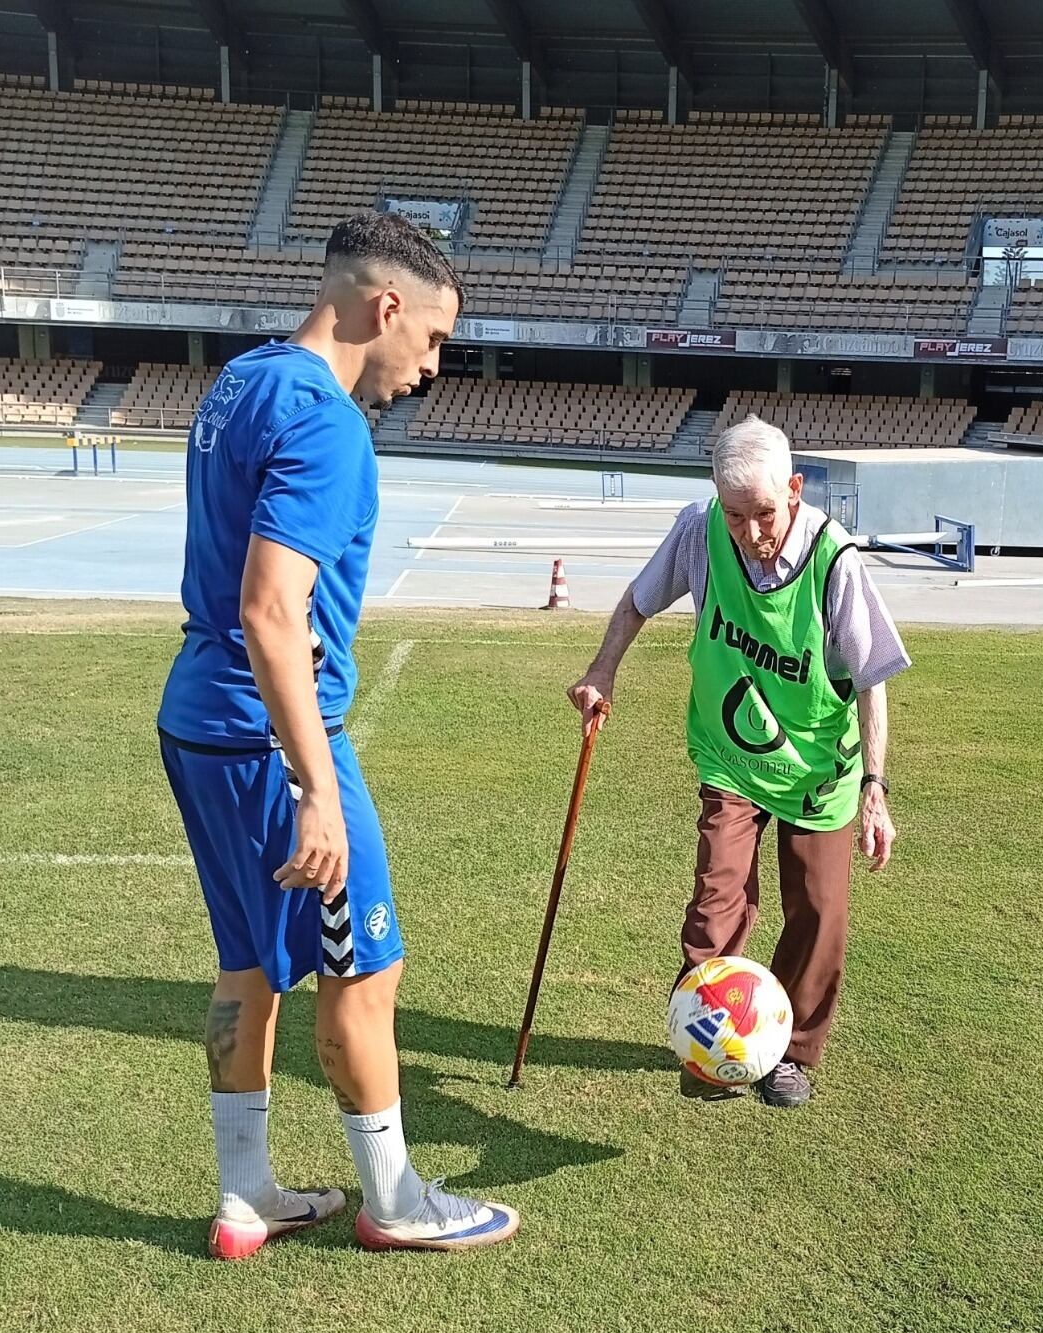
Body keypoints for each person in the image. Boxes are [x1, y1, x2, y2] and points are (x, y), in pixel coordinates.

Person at [158, 213, 519, 1256]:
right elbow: (273, 608)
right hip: (276, 734)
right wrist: (316, 783)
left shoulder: (242, 380)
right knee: (363, 966)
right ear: (385, 306)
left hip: (199, 720)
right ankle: (395, 1199)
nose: (433, 365)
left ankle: (246, 1194)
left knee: (247, 964)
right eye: (436, 340)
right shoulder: (328, 423)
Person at [569, 415, 909, 1109]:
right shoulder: (698, 531)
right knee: (715, 903)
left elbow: (871, 680)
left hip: (818, 770)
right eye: (736, 515)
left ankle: (789, 1055)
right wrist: (603, 667)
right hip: (730, 755)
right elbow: (637, 603)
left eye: (763, 513)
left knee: (818, 911)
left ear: (793, 488)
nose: (751, 533)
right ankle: (709, 1043)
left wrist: (874, 789)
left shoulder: (832, 559)